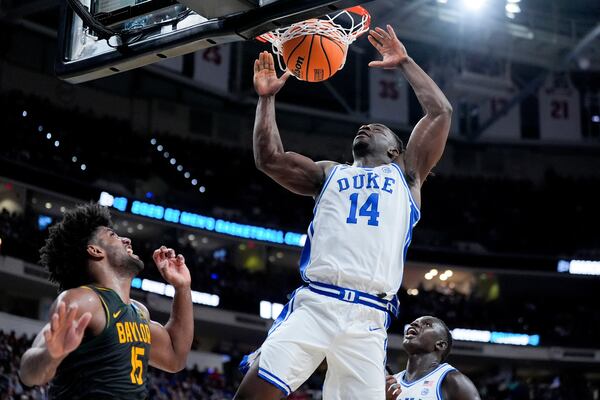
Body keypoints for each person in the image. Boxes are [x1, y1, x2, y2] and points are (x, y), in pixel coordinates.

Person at [235, 24, 452, 400]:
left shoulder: (407, 176)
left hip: (369, 319)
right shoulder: (328, 173)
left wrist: (405, 63)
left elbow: (440, 112)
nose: (365, 126)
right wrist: (266, 100)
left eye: (378, 128)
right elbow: (269, 159)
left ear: (394, 151)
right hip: (317, 303)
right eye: (364, 126)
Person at [18, 203, 194, 399]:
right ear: (95, 250)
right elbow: (27, 372)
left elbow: (175, 357)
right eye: (113, 235)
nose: (127, 239)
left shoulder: (138, 311)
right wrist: (50, 356)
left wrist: (182, 288)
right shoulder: (84, 300)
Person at [386, 316, 480, 400]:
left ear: (440, 344)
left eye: (427, 324)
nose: (413, 324)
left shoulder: (453, 380)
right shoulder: (391, 382)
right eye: (414, 322)